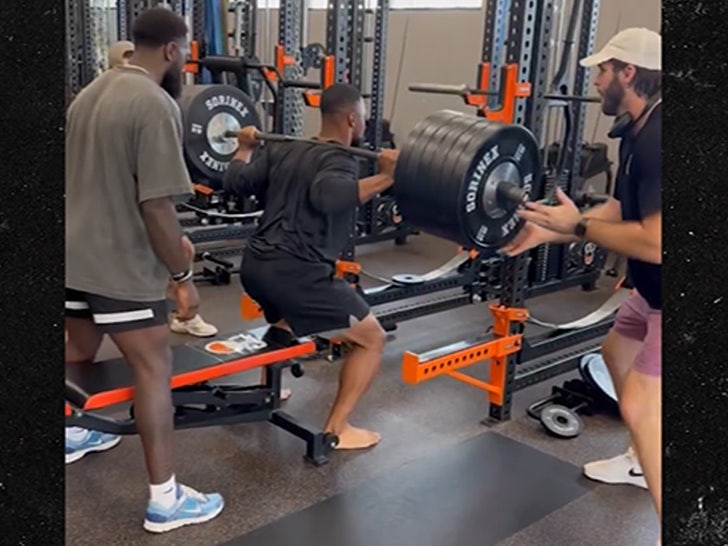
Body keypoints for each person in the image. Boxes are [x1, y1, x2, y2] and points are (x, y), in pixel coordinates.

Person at [65, 7, 224, 532]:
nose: (186, 64)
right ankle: (165, 501)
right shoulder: (154, 103)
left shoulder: (90, 93)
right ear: (172, 51)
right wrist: (182, 278)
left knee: (78, 351)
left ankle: (70, 432)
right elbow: (156, 206)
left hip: (73, 256)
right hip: (120, 264)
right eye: (186, 55)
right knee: (154, 369)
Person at [501, 27, 662, 538]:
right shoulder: (636, 129)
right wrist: (554, 229)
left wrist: (577, 227)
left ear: (628, 73)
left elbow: (657, 241)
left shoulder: (661, 138)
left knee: (639, 404)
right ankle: (641, 462)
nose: (595, 80)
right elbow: (620, 208)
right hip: (650, 289)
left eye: (603, 71)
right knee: (615, 355)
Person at [223, 83, 398, 450]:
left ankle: (266, 390)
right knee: (372, 339)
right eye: (363, 117)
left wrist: (245, 147)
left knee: (284, 320)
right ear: (352, 120)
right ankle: (338, 429)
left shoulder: (285, 148)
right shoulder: (339, 159)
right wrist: (386, 177)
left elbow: (236, 181)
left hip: (255, 266)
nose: (364, 123)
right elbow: (328, 196)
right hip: (296, 274)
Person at [107, 40, 219, 338]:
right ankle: (181, 305)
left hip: (130, 211)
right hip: (119, 225)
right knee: (151, 358)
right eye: (126, 59)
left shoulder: (138, 100)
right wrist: (184, 281)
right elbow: (152, 202)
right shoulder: (129, 103)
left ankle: (182, 315)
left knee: (182, 248)